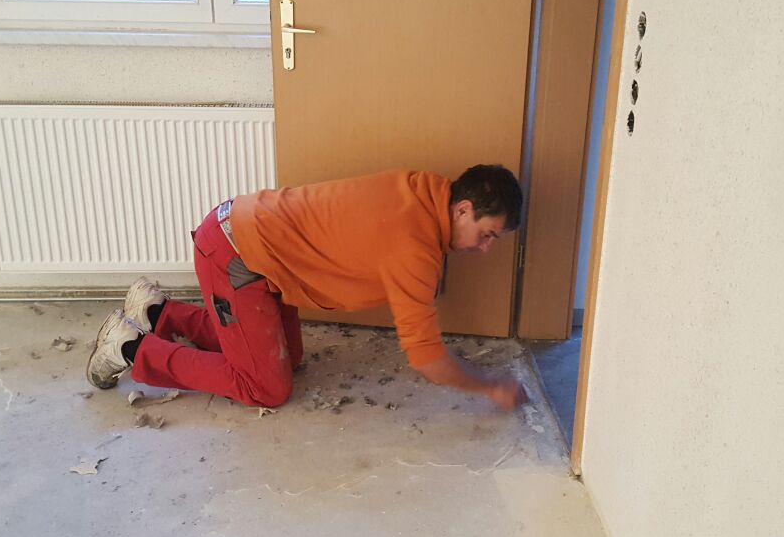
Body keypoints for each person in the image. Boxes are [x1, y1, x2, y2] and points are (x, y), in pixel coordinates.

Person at [85, 165, 528, 411]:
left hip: (258, 252)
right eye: (487, 235)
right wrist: (490, 387)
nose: (485, 249)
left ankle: (159, 313)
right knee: (265, 387)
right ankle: (130, 348)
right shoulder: (414, 246)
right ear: (462, 209)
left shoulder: (423, 190)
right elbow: (426, 358)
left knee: (287, 359)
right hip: (235, 256)